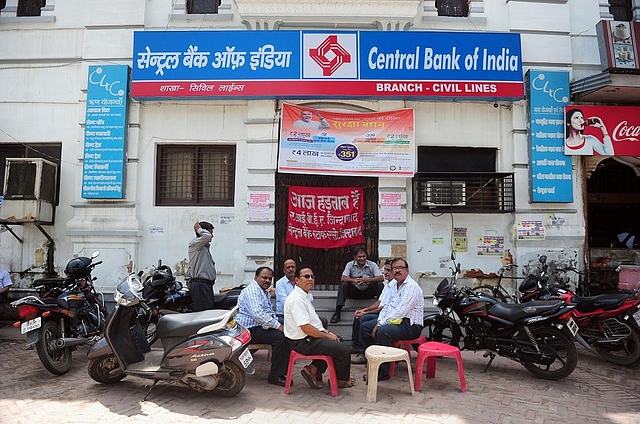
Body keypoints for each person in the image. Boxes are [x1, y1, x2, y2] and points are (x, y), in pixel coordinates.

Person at [284, 265, 355, 389]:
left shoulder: (305, 296)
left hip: (308, 338)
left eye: (312, 276)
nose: (310, 279)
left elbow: (314, 322)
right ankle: (341, 381)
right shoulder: (297, 299)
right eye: (306, 276)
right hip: (301, 342)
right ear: (297, 280)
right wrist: (327, 336)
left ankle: (312, 369)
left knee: (338, 340)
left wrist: (328, 333)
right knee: (343, 349)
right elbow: (306, 327)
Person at [360, 257, 424, 381]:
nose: (397, 271)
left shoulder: (411, 287)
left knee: (383, 331)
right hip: (395, 320)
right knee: (365, 327)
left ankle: (382, 372)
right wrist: (379, 321)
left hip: (410, 325)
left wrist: (380, 324)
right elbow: (387, 306)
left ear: (407, 270)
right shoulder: (394, 284)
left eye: (401, 268)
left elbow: (401, 311)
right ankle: (373, 362)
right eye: (395, 268)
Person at [237, 266, 291, 387]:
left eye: (269, 278)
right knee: (281, 337)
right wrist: (278, 326)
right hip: (249, 330)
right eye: (264, 277)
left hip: (258, 325)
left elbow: (267, 313)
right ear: (256, 277)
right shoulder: (253, 291)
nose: (267, 280)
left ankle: (287, 365)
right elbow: (258, 314)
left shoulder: (263, 291)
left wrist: (279, 323)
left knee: (290, 326)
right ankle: (276, 375)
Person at [350, 259, 394, 364]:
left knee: (364, 321)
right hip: (383, 313)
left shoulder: (396, 286)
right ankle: (356, 345)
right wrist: (364, 310)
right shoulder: (388, 285)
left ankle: (365, 353)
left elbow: (383, 307)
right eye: (385, 270)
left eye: (388, 270)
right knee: (359, 316)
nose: (385, 272)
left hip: (388, 316)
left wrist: (366, 313)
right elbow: (379, 302)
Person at [330, 247, 384, 323]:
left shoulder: (372, 265)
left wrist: (367, 280)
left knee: (379, 284)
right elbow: (343, 278)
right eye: (359, 257)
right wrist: (354, 280)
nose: (362, 258)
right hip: (355, 291)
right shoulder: (350, 264)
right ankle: (337, 312)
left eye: (364, 256)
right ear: (354, 257)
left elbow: (381, 277)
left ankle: (381, 310)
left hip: (368, 291)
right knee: (343, 285)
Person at [274, 258, 327, 327]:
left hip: (302, 312)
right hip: (286, 316)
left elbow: (309, 298)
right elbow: (285, 302)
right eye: (288, 267)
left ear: (296, 269)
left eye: (293, 267)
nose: (290, 269)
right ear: (284, 270)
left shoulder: (302, 281)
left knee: (323, 321)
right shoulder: (280, 283)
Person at [186, 221, 217, 311]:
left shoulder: (203, 247)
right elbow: (207, 236)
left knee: (208, 310)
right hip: (200, 284)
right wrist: (198, 229)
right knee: (204, 312)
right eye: (211, 232)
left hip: (205, 284)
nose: (212, 236)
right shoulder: (195, 244)